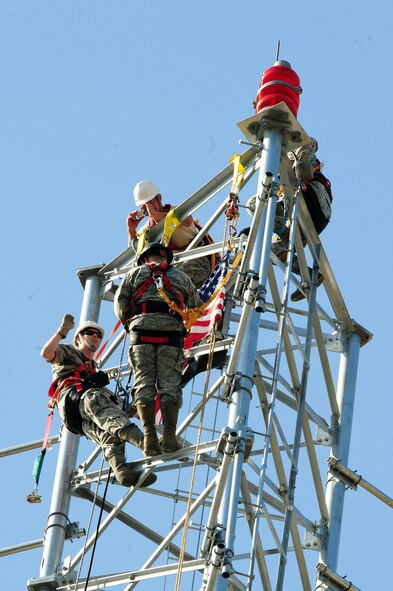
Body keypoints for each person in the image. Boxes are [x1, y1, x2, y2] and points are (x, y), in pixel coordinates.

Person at [41, 315, 157, 488]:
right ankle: (146, 444)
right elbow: (46, 354)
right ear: (78, 339)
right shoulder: (68, 351)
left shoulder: (92, 369)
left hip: (75, 419)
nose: (95, 336)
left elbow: (106, 402)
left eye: (98, 335)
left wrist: (131, 409)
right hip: (74, 397)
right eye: (89, 333)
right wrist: (62, 331)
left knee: (109, 435)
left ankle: (122, 472)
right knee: (112, 417)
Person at [114, 242, 202, 456]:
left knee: (144, 381)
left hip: (141, 331)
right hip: (171, 334)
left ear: (146, 259)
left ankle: (149, 436)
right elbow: (195, 306)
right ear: (167, 259)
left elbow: (121, 303)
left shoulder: (135, 274)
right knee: (169, 384)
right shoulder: (182, 278)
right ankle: (170, 437)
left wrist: (130, 322)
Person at [271, 138, 333, 301]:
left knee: (259, 202)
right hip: (307, 217)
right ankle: (311, 274)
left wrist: (300, 166)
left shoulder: (291, 150)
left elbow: (311, 142)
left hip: (313, 199)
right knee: (273, 252)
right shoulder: (275, 166)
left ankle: (289, 225)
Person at [126, 180, 211, 289]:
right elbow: (134, 252)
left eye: (151, 202)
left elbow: (188, 221)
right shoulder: (149, 228)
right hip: (173, 273)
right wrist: (131, 230)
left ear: (159, 197)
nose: (149, 208)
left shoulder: (174, 211)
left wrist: (156, 215)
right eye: (145, 206)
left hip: (196, 263)